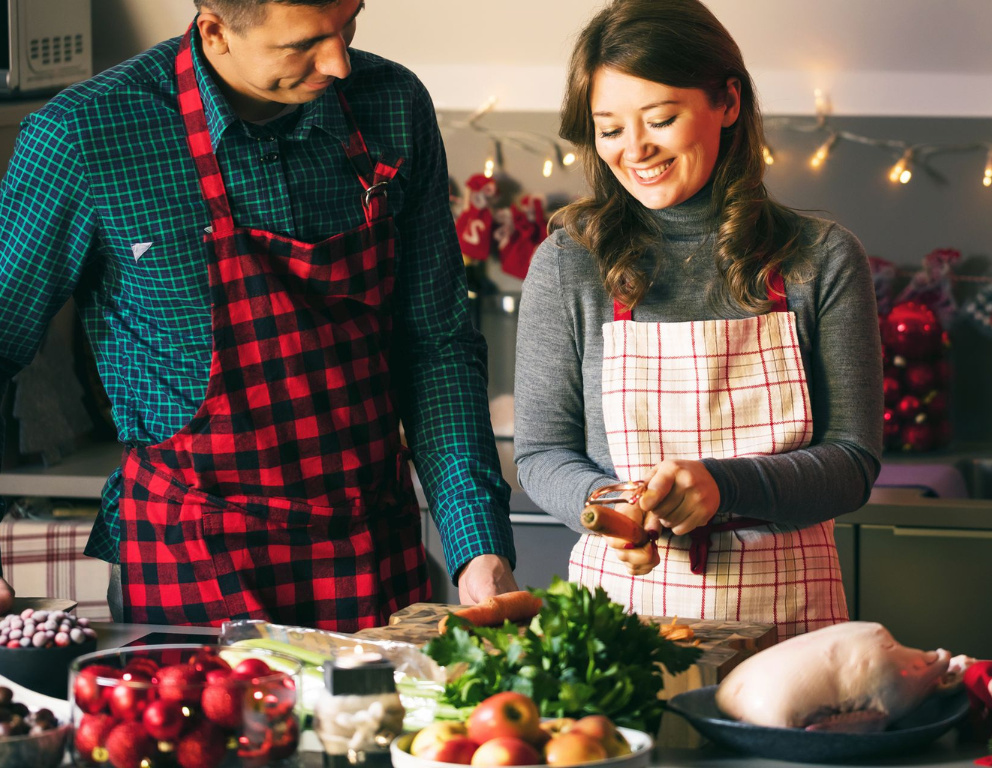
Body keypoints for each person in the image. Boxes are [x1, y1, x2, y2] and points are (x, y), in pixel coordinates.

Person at [0, 0, 518, 629]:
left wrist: (477, 545)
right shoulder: (86, 135)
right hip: (192, 557)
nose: (339, 62)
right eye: (303, 43)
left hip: (371, 550)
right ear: (215, 30)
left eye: (348, 24)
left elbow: (434, 345)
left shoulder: (392, 103)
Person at [514, 0, 882, 640]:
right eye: (609, 129)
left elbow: (853, 463)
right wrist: (615, 508)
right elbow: (543, 453)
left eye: (660, 118)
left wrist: (726, 486)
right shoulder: (569, 264)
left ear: (728, 104)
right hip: (622, 617)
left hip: (787, 623)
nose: (635, 150)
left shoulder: (820, 257)